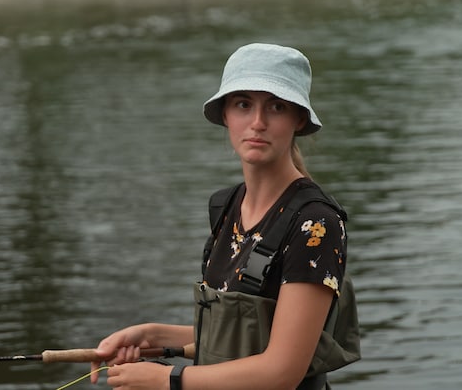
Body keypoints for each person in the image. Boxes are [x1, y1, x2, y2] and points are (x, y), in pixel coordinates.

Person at [91, 43, 352, 390]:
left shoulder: (315, 224)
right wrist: (149, 333)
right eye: (243, 105)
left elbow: (282, 371)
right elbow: (239, 337)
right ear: (226, 115)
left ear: (298, 119)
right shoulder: (225, 206)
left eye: (276, 106)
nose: (257, 122)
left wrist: (168, 379)